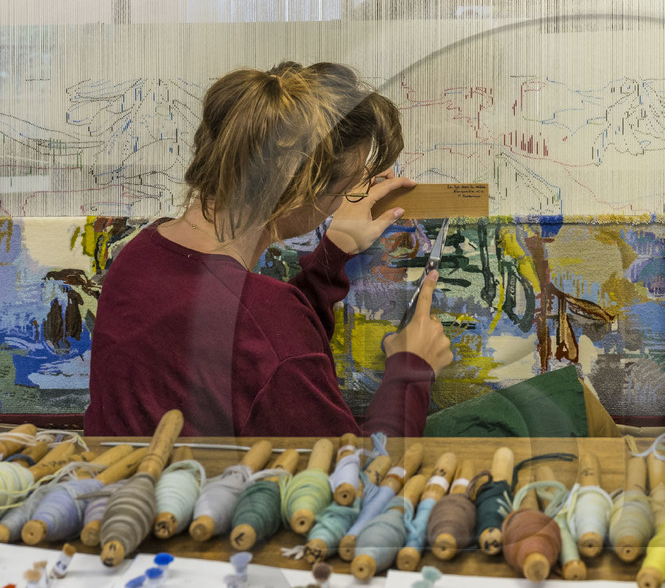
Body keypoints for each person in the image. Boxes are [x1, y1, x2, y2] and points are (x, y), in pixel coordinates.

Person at [84, 61, 454, 438]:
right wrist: (411, 371)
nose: (344, 201)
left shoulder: (139, 257)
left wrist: (331, 257)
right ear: (300, 189)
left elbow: (253, 351)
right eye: (345, 190)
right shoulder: (266, 320)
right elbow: (353, 484)